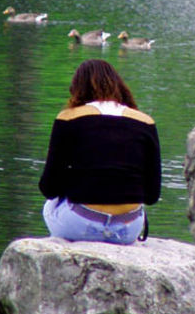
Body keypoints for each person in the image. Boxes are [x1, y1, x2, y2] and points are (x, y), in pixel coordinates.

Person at [39, 59, 162, 245]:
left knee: (50, 206)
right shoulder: (146, 122)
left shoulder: (68, 118)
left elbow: (49, 188)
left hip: (79, 224)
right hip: (128, 229)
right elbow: (152, 195)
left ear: (77, 89)